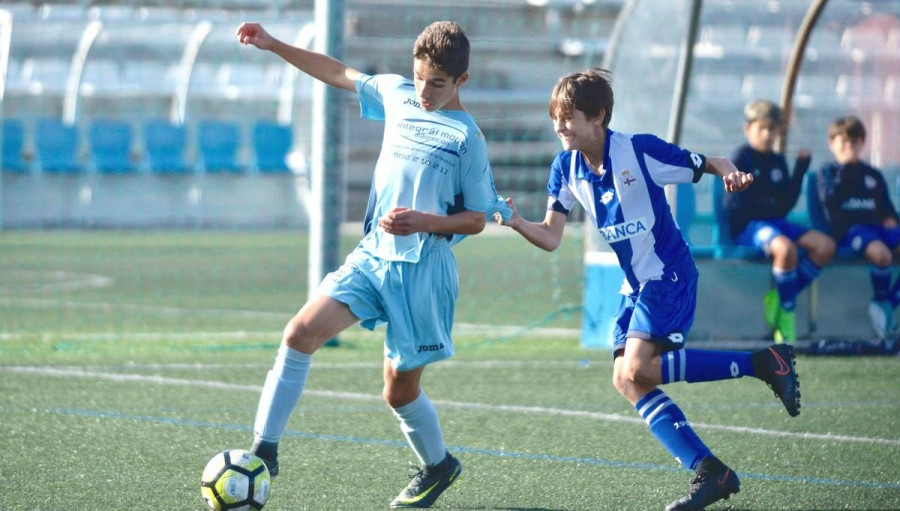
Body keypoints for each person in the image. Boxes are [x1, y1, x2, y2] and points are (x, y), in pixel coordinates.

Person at [494, 68, 801, 511]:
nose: (559, 127)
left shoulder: (639, 151)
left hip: (668, 273)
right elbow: (551, 236)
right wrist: (517, 221)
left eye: (568, 117)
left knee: (638, 368)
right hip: (635, 284)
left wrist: (731, 170)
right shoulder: (565, 167)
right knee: (626, 379)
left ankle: (761, 363)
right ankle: (712, 471)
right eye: (555, 118)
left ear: (598, 116)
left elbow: (708, 163)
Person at [236, 20, 503, 508]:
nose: (424, 90)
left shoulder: (468, 138)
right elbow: (336, 71)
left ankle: (438, 465)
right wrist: (273, 45)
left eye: (437, 83)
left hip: (424, 271)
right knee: (299, 334)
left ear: (461, 81)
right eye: (419, 77)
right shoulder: (398, 95)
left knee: (398, 393)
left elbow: (477, 220)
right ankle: (264, 450)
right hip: (372, 257)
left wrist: (424, 219)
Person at [725, 99, 836, 343]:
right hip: (750, 227)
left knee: (825, 246)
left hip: (776, 223)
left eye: (772, 129)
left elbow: (785, 204)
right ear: (749, 129)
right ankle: (786, 313)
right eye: (761, 128)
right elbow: (732, 203)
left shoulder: (776, 160)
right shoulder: (741, 157)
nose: (767, 134)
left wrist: (799, 169)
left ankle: (782, 296)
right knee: (785, 249)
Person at [817, 115, 900, 348]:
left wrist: (891, 221)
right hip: (850, 231)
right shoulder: (828, 172)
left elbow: (887, 210)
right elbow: (830, 203)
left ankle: (887, 303)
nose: (849, 147)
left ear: (862, 143)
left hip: (877, 228)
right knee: (882, 255)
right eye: (843, 142)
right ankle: (881, 300)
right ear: (832, 144)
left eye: (854, 142)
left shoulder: (872, 174)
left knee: (887, 246)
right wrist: (845, 169)